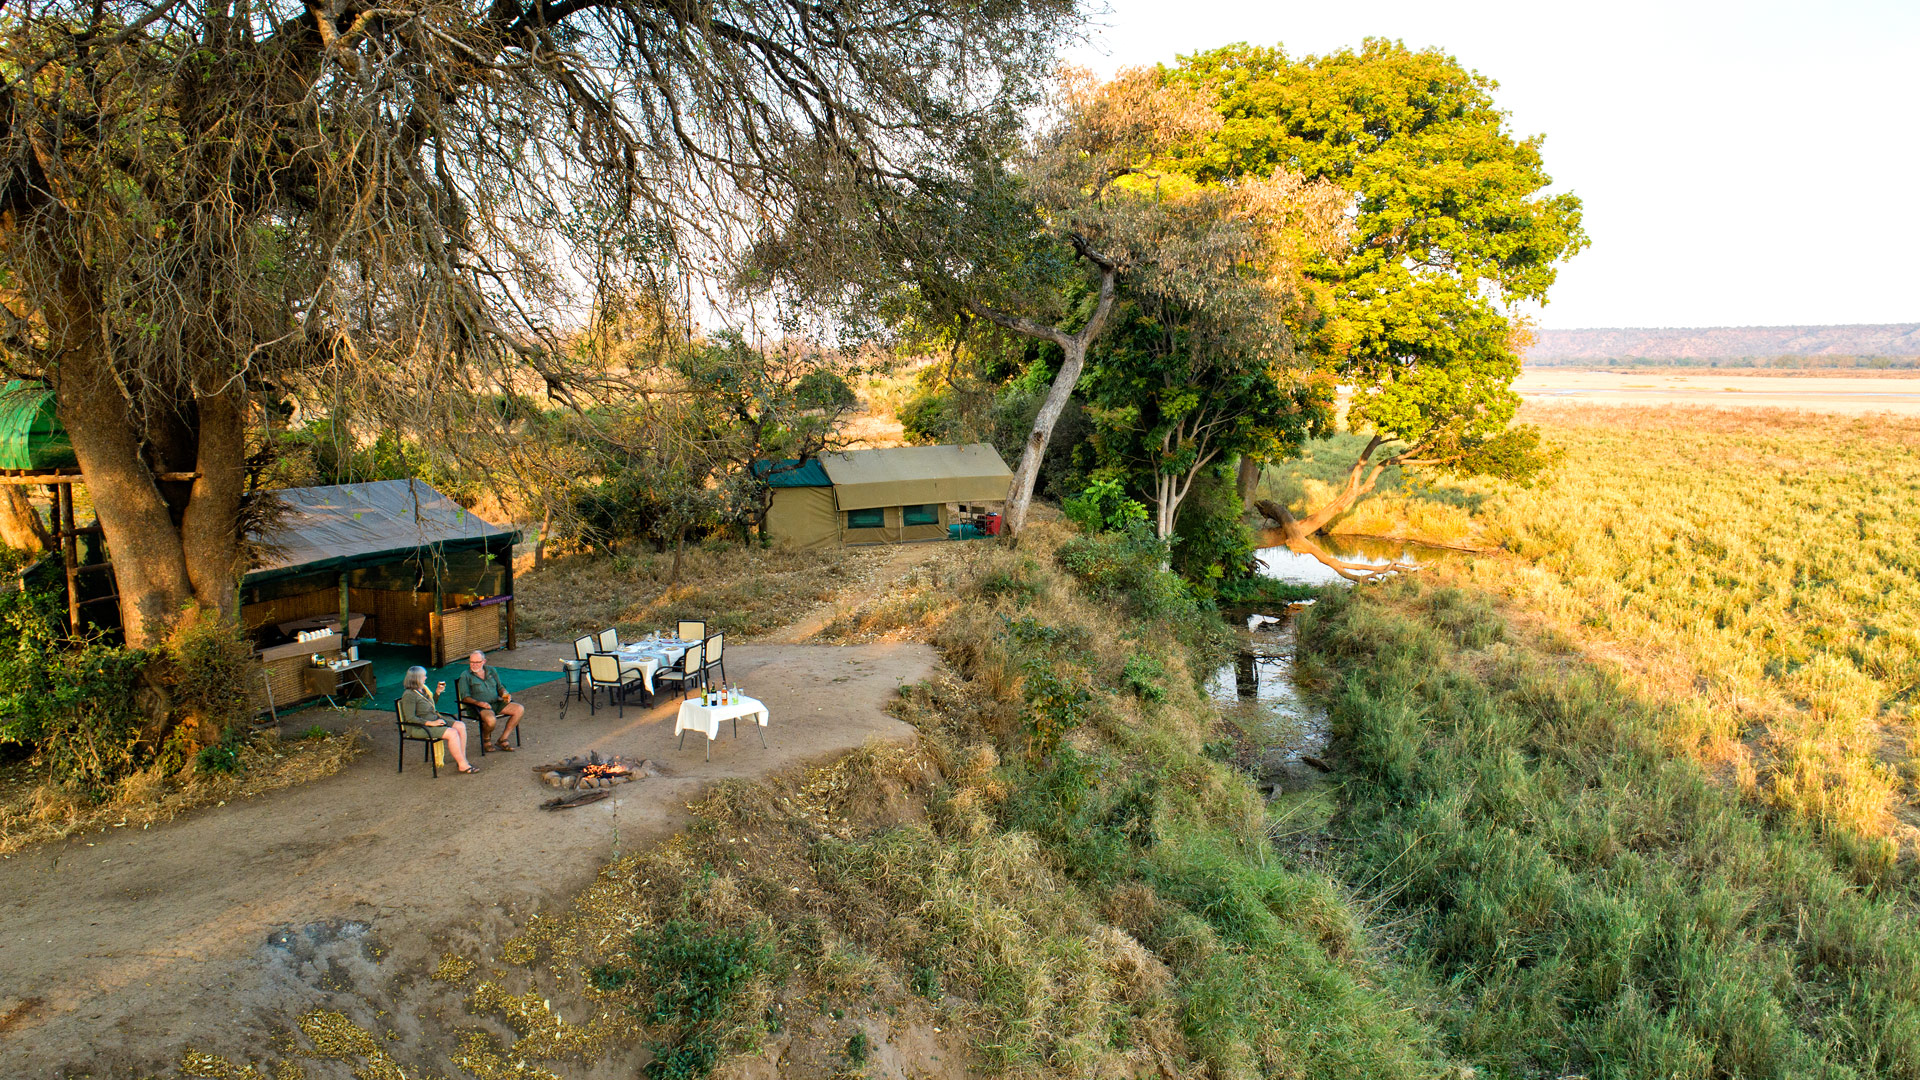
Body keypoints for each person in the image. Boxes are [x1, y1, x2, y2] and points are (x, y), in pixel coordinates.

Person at [400, 666, 477, 773]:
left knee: (460, 725)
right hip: (419, 728)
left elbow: (430, 706)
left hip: (434, 719)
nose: (426, 678)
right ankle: (462, 765)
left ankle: (462, 759)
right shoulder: (409, 695)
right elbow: (410, 718)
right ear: (416, 678)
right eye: (423, 676)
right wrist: (431, 723)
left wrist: (437, 693)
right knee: (452, 733)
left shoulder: (423, 689)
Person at [455, 650, 523, 752]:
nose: (474, 665)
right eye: (471, 662)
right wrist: (479, 703)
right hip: (478, 707)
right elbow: (465, 697)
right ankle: (486, 739)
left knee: (519, 709)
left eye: (477, 662)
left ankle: (503, 739)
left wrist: (505, 694)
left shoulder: (491, 670)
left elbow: (500, 687)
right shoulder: (465, 675)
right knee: (491, 720)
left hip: (495, 703)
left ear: (484, 661)